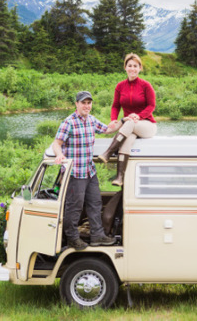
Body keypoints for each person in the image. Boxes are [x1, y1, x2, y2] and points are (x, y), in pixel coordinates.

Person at [52, 91, 119, 250]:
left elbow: (108, 130)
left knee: (95, 203)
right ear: (76, 104)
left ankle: (97, 236)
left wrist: (124, 121)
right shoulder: (68, 122)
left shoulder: (92, 120)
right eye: (83, 103)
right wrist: (60, 155)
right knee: (74, 206)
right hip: (75, 173)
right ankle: (72, 238)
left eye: (89, 103)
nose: (87, 106)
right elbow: (56, 143)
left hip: (89, 171)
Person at [98, 53, 157, 186]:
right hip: (129, 127)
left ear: (140, 68)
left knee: (129, 122)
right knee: (127, 141)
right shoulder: (120, 86)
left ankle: (108, 152)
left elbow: (151, 106)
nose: (132, 69)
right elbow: (115, 106)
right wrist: (113, 119)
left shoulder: (146, 86)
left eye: (135, 66)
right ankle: (119, 177)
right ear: (125, 67)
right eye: (129, 65)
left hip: (147, 125)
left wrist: (139, 116)